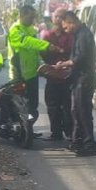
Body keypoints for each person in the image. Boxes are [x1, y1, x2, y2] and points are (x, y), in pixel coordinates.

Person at [57, 11, 96, 156]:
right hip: (78, 77)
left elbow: (81, 57)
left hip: (85, 78)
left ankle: (89, 143)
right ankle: (77, 141)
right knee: (76, 110)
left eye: (66, 27)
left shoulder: (84, 35)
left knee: (83, 111)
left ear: (71, 22)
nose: (65, 30)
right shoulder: (78, 35)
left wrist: (67, 63)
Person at [7, 5, 52, 128]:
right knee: (20, 105)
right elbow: (27, 42)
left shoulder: (32, 30)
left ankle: (28, 127)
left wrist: (42, 64)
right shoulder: (15, 30)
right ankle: (19, 126)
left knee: (33, 106)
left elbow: (35, 51)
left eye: (34, 17)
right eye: (30, 17)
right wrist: (46, 45)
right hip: (18, 74)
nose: (33, 19)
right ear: (21, 16)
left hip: (32, 74)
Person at [40, 8, 74, 140]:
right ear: (53, 18)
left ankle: (70, 132)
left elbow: (74, 55)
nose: (58, 20)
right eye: (56, 17)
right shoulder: (47, 36)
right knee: (52, 107)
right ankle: (56, 132)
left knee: (68, 106)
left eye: (61, 17)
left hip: (67, 77)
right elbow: (42, 54)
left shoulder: (71, 36)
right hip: (52, 76)